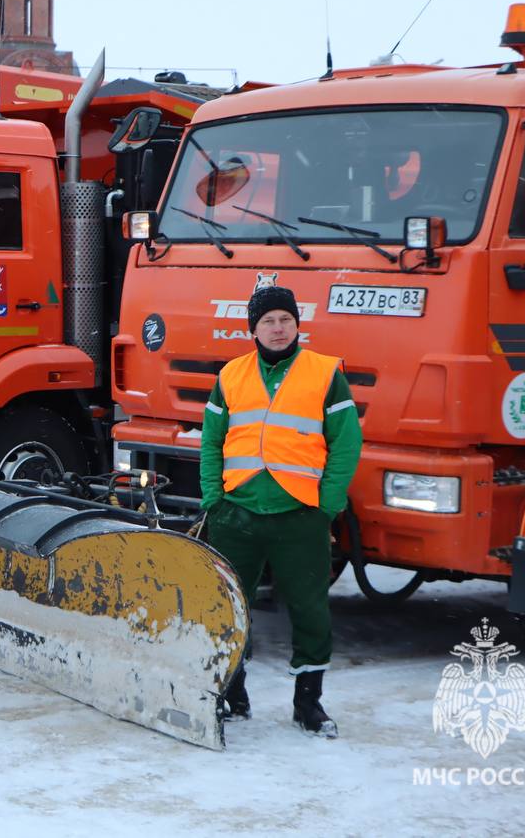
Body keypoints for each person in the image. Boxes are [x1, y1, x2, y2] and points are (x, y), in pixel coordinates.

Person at [199, 285, 362, 738]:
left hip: (299, 515)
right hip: (237, 513)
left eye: (284, 320)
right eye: (267, 321)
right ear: (253, 328)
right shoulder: (231, 374)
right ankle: (233, 693)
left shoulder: (325, 374)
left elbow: (346, 443)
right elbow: (212, 441)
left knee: (311, 610)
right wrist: (214, 498)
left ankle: (308, 703)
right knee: (228, 609)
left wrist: (326, 505)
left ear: (297, 325)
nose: (277, 328)